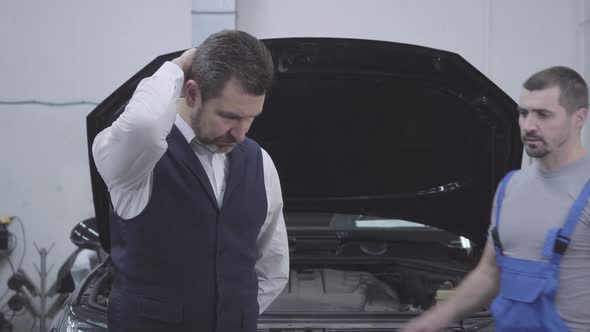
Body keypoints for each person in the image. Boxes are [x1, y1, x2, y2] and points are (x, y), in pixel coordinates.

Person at [92, 30, 289, 332]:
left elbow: (273, 268)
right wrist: (178, 66)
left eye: (251, 118)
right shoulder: (138, 160)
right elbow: (144, 124)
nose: (241, 133)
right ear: (193, 93)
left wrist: (231, 316)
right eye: (229, 116)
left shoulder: (260, 162)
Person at [402, 66, 589, 332]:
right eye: (523, 113)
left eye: (543, 115)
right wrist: (434, 320)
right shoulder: (511, 187)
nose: (529, 125)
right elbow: (490, 273)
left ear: (578, 118)